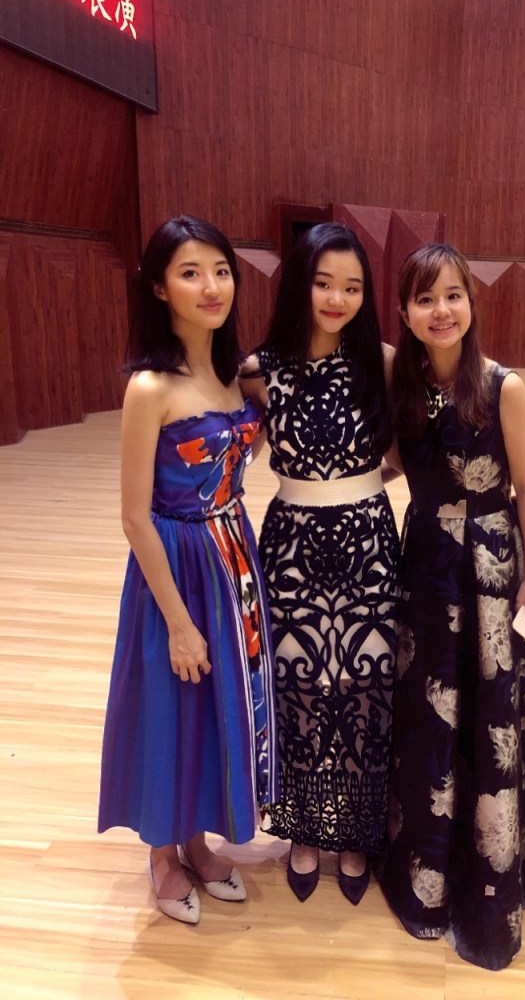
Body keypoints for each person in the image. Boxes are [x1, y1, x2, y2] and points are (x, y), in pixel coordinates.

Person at [378, 243, 525, 970]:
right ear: (405, 313)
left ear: (471, 302)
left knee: (496, 715)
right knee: (435, 714)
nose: (441, 310)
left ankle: (504, 871)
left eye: (453, 295)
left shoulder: (505, 387)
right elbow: (400, 463)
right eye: (425, 299)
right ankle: (430, 865)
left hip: (495, 571)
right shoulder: (404, 388)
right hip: (426, 570)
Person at [98, 215, 278, 924]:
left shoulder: (236, 374)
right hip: (175, 563)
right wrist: (176, 622)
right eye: (190, 273)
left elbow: (232, 460)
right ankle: (162, 855)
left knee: (216, 702)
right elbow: (134, 516)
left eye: (221, 271)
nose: (211, 287)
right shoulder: (150, 387)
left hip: (234, 552)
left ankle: (199, 841)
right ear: (159, 287)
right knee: (172, 702)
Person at [240, 222, 399, 906]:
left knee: (367, 684)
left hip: (368, 542)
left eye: (352, 287)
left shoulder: (383, 362)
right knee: (298, 683)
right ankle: (304, 830)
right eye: (323, 283)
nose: (337, 299)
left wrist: (358, 486)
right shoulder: (259, 370)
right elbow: (232, 449)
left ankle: (357, 834)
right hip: (291, 546)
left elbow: (409, 453)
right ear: (299, 285)